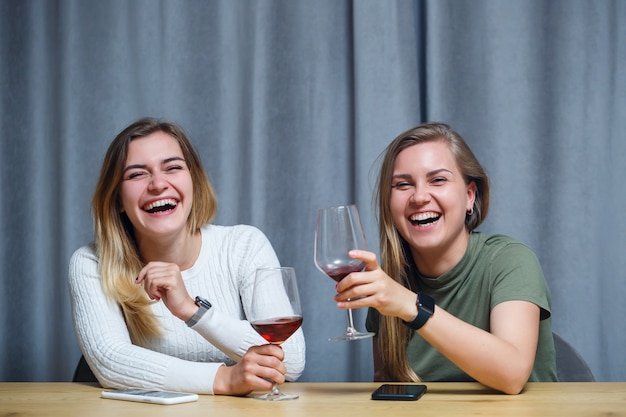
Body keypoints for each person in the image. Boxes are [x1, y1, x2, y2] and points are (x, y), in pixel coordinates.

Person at [68, 117, 305, 395]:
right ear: (118, 198)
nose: (158, 184)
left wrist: (194, 312)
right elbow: (110, 361)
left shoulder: (244, 245)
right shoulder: (91, 263)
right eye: (136, 174)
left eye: (173, 168)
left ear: (193, 180)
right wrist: (225, 380)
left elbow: (292, 360)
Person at [334, 122, 556, 394]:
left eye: (438, 180)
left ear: (469, 196)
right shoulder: (389, 283)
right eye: (403, 184)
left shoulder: (510, 260)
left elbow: (512, 375)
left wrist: (412, 307)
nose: (419, 197)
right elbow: (388, 389)